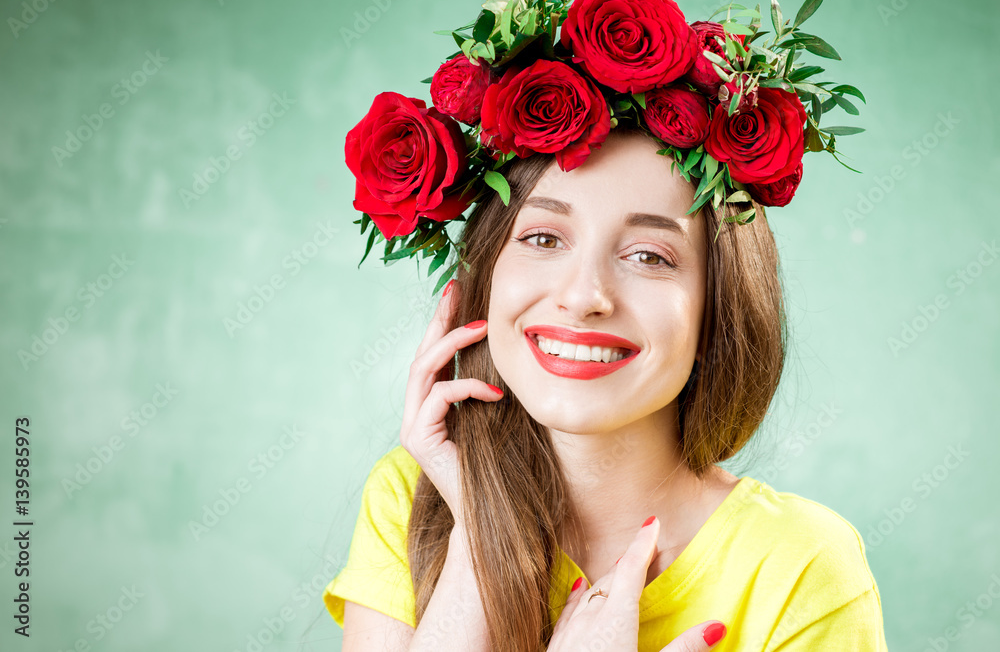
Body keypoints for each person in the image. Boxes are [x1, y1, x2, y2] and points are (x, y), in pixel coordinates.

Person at [322, 126, 888, 651]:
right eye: (543, 237)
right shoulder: (413, 497)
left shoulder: (804, 566)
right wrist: (477, 534)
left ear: (718, 309)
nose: (583, 295)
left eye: (648, 255)